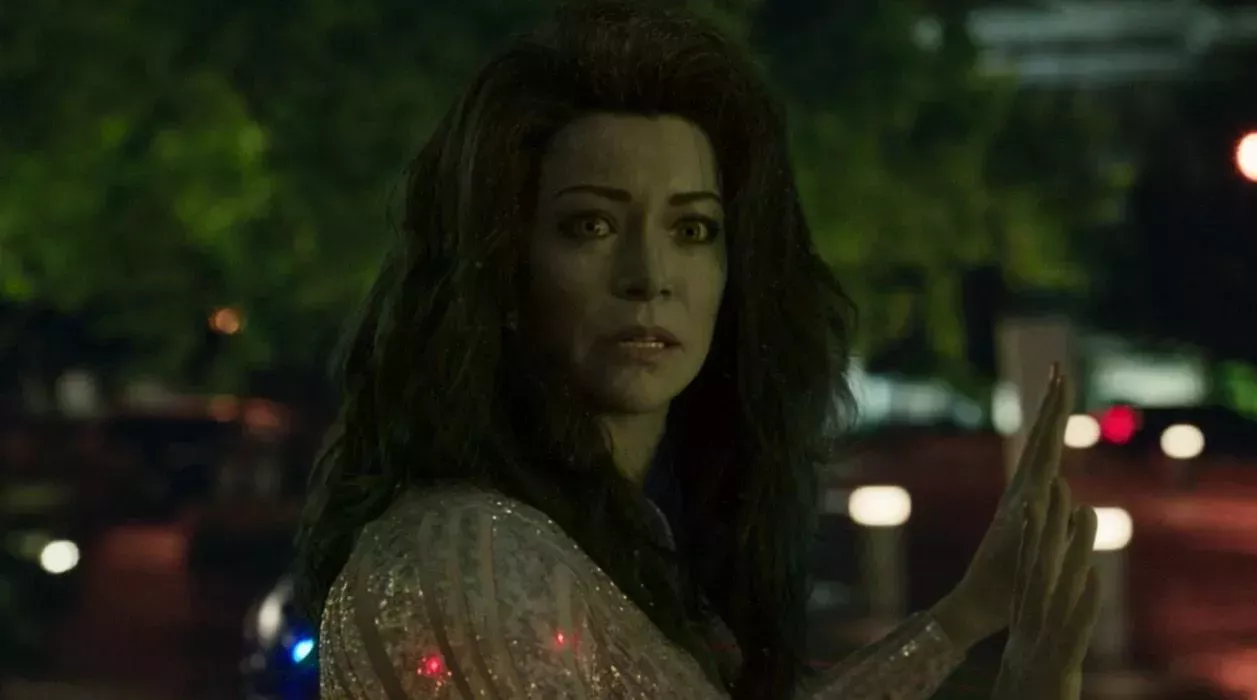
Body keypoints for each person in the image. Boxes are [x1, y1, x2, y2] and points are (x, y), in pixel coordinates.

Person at [295, 2, 1100, 698]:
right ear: (503, 269)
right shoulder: (465, 557)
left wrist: (966, 619)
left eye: (692, 229)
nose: (649, 277)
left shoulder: (634, 538)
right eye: (591, 225)